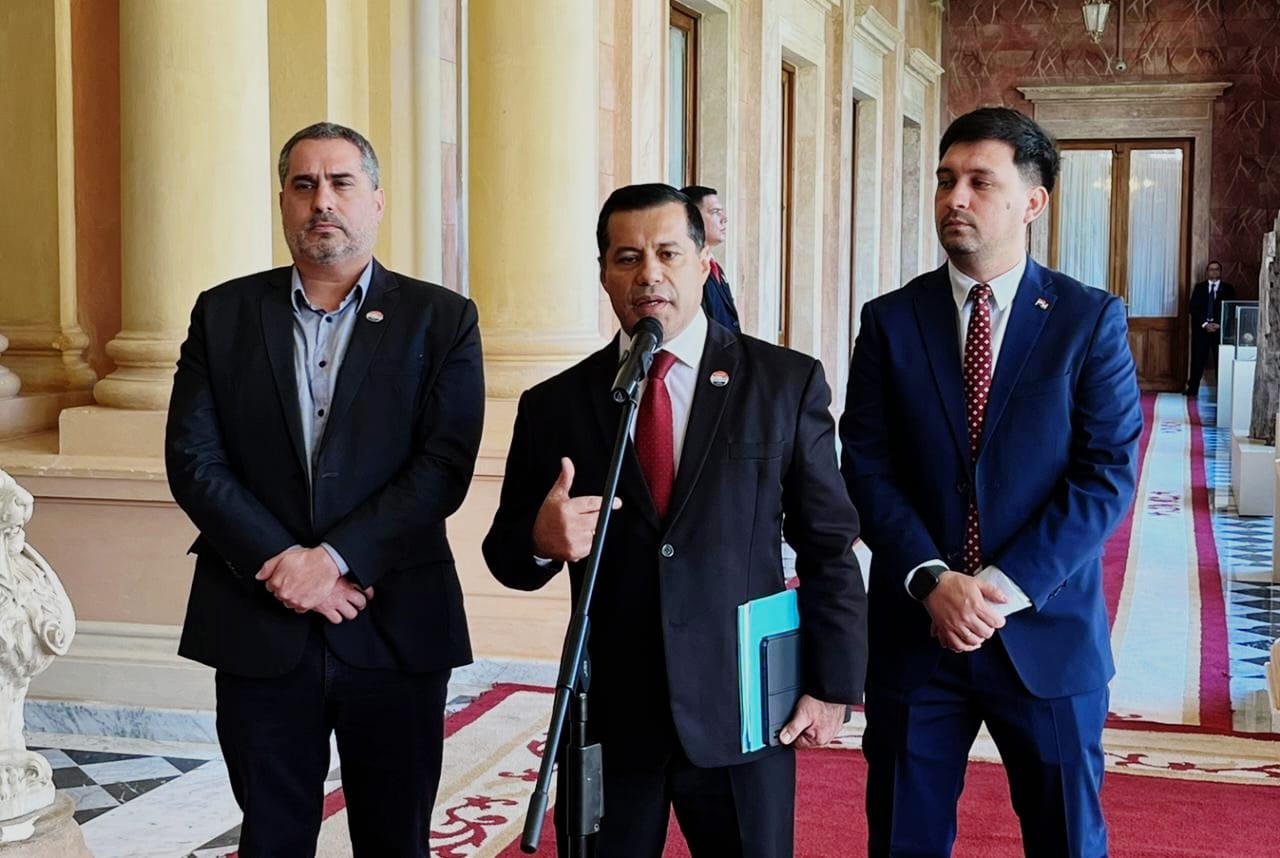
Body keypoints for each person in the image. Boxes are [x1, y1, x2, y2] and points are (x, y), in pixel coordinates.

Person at [484, 183, 866, 858]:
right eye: (627, 257)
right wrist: (542, 542)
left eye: (667, 252)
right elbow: (508, 556)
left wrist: (832, 685)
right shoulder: (557, 405)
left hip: (745, 707)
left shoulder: (781, 383)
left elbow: (828, 545)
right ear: (603, 273)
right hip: (611, 714)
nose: (648, 274)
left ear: (702, 261)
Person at [165, 122, 484, 856]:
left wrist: (333, 559)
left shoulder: (440, 320)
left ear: (375, 200)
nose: (323, 202)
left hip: (393, 616)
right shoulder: (224, 314)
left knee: (393, 837)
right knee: (272, 836)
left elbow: (443, 466)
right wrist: (283, 562)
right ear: (283, 202)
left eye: (341, 183)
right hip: (255, 617)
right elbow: (193, 460)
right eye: (304, 185)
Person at [840, 107, 1141, 857]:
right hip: (919, 634)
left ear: (1033, 202)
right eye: (946, 180)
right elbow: (866, 467)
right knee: (904, 840)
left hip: (1045, 635)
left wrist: (998, 589)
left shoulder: (1087, 319)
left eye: (980, 181)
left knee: (1068, 840)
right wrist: (934, 581)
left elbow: (1105, 475)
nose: (955, 198)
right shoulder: (890, 321)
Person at [680, 185, 741, 331]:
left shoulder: (714, 267)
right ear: (693, 218)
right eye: (715, 212)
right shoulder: (687, 270)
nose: (724, 219)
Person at [1185, 260, 1236, 396]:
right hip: (1202, 330)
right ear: (1207, 272)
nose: (1214, 271)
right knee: (1198, 359)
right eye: (1211, 269)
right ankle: (1192, 388)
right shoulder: (1199, 287)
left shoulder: (1228, 288)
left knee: (1221, 360)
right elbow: (1193, 308)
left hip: (1220, 331)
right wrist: (1205, 324)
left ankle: (1223, 391)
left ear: (1220, 272)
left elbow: (1231, 309)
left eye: (1217, 269)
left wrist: (1219, 323)